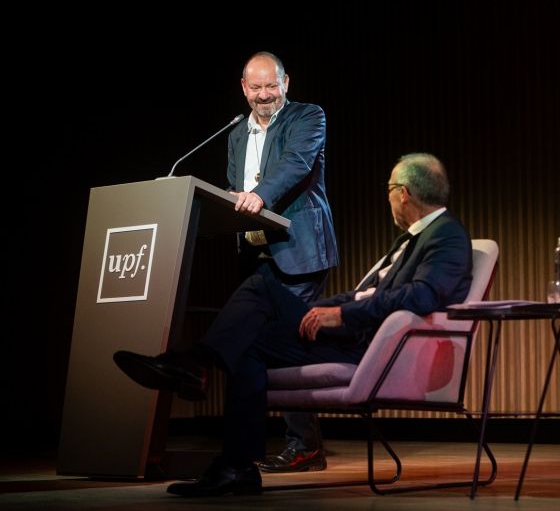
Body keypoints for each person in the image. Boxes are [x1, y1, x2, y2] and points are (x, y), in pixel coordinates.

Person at [114, 153, 473, 497]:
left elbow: (421, 296)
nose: (389, 198)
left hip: (368, 349)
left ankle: (196, 365)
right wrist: (319, 310)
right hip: (350, 336)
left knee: (260, 285)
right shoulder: (412, 239)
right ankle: (235, 464)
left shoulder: (447, 236)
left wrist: (342, 316)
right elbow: (361, 294)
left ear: (403, 193)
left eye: (389, 189)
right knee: (247, 338)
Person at [229, 51, 337, 472]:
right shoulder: (237, 132)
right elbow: (234, 183)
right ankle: (249, 450)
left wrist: (261, 195)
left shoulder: (308, 117)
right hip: (256, 251)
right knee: (248, 340)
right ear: (243, 89)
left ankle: (304, 446)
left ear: (286, 82)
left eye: (270, 86)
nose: (263, 95)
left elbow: (296, 164)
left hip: (301, 250)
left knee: (290, 340)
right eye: (255, 88)